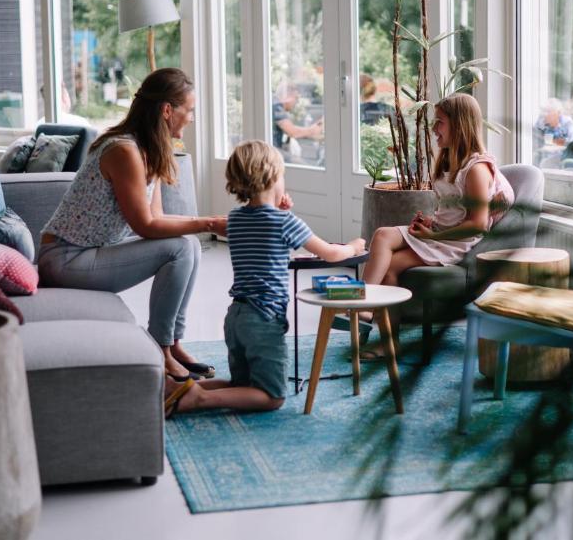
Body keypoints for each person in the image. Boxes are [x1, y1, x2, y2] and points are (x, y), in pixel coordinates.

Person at [38, 68, 227, 381]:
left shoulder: (146, 150)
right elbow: (145, 226)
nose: (192, 117)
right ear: (167, 110)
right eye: (189, 110)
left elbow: (159, 218)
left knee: (189, 243)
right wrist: (209, 222)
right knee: (181, 248)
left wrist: (209, 224)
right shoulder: (124, 151)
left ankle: (174, 342)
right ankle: (159, 347)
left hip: (92, 251)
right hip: (65, 258)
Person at [162, 140, 365, 415]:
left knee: (241, 384)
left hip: (236, 317)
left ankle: (178, 388)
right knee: (272, 396)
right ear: (272, 177)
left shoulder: (235, 219)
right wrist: (353, 247)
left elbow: (262, 230)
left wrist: (280, 210)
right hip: (264, 319)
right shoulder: (286, 222)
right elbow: (329, 254)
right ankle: (200, 399)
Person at [359, 93, 515, 357]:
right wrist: (432, 223)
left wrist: (433, 235)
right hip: (440, 234)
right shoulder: (449, 161)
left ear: (460, 124)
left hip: (454, 243)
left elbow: (477, 224)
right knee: (383, 236)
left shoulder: (476, 169)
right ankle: (380, 326)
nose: (433, 129)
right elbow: (454, 210)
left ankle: (364, 306)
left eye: (439, 122)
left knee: (390, 259)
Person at [272, 83, 323, 150]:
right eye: (295, 98)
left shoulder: (276, 104)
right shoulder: (276, 106)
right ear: (288, 96)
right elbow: (293, 132)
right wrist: (313, 130)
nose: (296, 102)